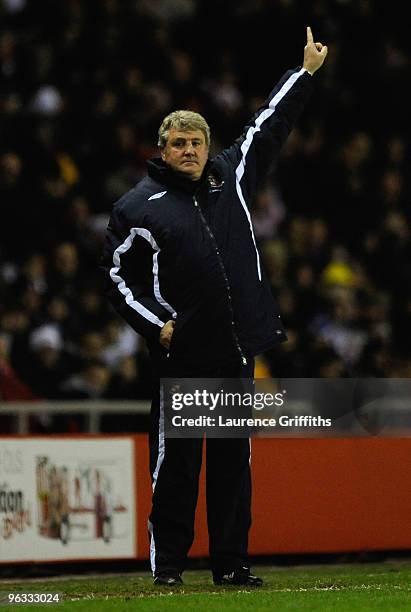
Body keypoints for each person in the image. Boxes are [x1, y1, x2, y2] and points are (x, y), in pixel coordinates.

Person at [101, 27, 327, 586]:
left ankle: (231, 566)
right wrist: (159, 327)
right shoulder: (137, 208)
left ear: (207, 146)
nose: (189, 151)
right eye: (178, 144)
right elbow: (116, 279)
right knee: (177, 467)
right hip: (182, 355)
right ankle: (169, 569)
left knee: (232, 467)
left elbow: (267, 124)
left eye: (196, 142)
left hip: (233, 350)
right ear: (162, 149)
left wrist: (304, 73)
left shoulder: (233, 175)